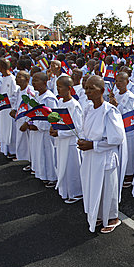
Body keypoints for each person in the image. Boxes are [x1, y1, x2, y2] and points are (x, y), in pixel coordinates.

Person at [78, 75, 127, 234]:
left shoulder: (110, 111)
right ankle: (97, 214)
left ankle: (112, 217)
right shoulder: (87, 108)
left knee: (107, 188)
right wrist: (83, 141)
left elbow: (116, 138)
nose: (88, 91)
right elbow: (84, 130)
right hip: (91, 155)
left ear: (102, 90)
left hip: (105, 156)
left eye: (92, 88)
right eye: (86, 88)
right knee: (92, 185)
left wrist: (94, 144)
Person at [50, 76, 83, 204]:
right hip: (61, 141)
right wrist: (54, 129)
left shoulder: (74, 105)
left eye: (60, 87)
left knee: (71, 168)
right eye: (57, 86)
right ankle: (65, 190)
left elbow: (78, 128)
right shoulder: (60, 102)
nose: (57, 89)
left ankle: (76, 192)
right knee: (62, 165)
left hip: (70, 142)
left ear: (69, 88)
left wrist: (60, 132)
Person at [27, 72, 58, 187]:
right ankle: (42, 174)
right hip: (36, 131)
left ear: (45, 82)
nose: (33, 83)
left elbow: (53, 117)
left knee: (48, 154)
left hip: (45, 132)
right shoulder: (36, 96)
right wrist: (31, 122)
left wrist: (39, 126)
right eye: (33, 80)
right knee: (39, 153)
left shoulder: (49, 98)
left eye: (36, 80)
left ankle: (52, 177)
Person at [109, 72, 134, 187]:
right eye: (116, 81)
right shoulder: (115, 94)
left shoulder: (130, 97)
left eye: (121, 81)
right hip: (117, 127)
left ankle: (129, 173)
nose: (118, 83)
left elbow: (129, 115)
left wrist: (117, 106)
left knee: (128, 151)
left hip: (128, 128)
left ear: (127, 82)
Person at [0, 58, 17, 159]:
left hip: (10, 108)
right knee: (4, 129)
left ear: (3, 66)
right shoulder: (3, 78)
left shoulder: (12, 79)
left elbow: (15, 95)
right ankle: (6, 149)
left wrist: (6, 100)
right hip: (3, 107)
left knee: (10, 130)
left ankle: (12, 150)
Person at [12, 71, 32, 163]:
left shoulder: (30, 91)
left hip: (27, 122)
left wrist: (28, 122)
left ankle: (32, 163)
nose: (16, 79)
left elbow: (32, 109)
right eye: (16, 77)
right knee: (23, 143)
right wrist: (14, 110)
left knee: (30, 144)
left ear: (27, 79)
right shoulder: (19, 90)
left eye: (20, 77)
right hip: (19, 119)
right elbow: (16, 102)